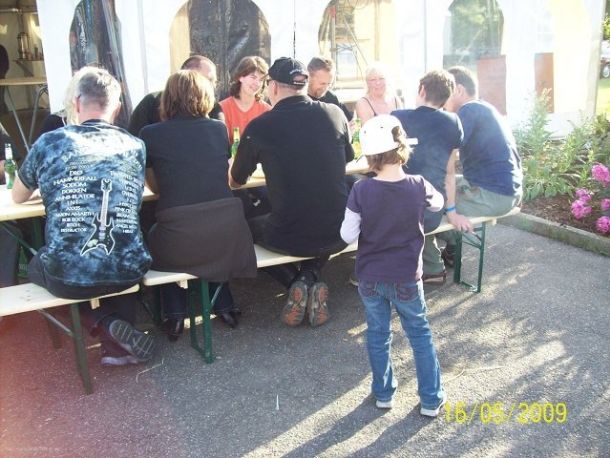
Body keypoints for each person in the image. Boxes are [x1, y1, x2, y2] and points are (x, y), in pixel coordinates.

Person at [11, 67, 155, 367]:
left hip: (70, 275)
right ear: (117, 108)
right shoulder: (135, 145)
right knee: (113, 256)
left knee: (42, 265)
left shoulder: (50, 142)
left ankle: (103, 321)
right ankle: (116, 349)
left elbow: (18, 196)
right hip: (130, 268)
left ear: (76, 103)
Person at [229, 57, 353, 327]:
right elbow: (347, 159)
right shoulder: (334, 113)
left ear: (273, 87)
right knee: (317, 218)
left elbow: (236, 181)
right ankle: (310, 276)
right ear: (304, 85)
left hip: (289, 236)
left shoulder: (261, 126)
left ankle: (297, 282)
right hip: (339, 231)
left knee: (245, 227)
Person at [339, 114, 446, 416]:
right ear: (402, 148)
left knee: (377, 334)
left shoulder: (361, 190)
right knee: (419, 334)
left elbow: (347, 235)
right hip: (406, 277)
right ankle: (431, 399)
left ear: (370, 156)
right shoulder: (418, 185)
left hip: (370, 277)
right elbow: (438, 203)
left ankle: (383, 394)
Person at [141, 70, 256, 337]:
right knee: (206, 235)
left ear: (167, 98)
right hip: (227, 236)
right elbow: (224, 175)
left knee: (157, 235)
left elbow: (155, 188)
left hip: (180, 239)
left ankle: (174, 313)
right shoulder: (217, 129)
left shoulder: (150, 133)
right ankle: (224, 305)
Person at [441, 66, 523, 265]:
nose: (442, 100)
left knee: (426, 202)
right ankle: (452, 248)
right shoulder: (484, 108)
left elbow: (445, 153)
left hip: (494, 194)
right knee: (436, 188)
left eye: (445, 93)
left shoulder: (468, 110)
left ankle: (433, 265)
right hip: (506, 190)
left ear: (458, 90)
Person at [392, 69, 464, 283]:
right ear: (447, 97)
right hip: (433, 211)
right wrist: (451, 210)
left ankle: (368, 267)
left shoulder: (398, 118)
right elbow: (450, 173)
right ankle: (440, 255)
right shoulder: (453, 122)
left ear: (422, 90)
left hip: (402, 215)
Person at [127, 55, 224, 136]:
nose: (212, 86)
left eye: (214, 82)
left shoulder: (214, 108)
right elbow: (134, 141)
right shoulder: (151, 102)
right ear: (186, 75)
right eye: (208, 79)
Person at [220, 55, 271, 144]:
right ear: (241, 77)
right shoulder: (222, 108)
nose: (257, 83)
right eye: (253, 77)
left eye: (261, 80)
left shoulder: (267, 111)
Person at [307, 57, 353, 121]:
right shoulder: (298, 100)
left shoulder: (332, 98)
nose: (325, 88)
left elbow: (349, 121)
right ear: (309, 78)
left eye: (329, 84)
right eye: (322, 83)